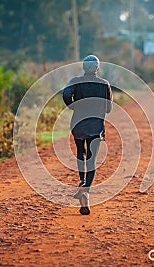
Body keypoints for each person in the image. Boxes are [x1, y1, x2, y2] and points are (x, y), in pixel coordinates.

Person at [62, 55, 113, 215]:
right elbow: (108, 108)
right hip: (95, 126)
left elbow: (65, 94)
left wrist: (73, 105)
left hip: (78, 124)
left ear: (84, 67)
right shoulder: (104, 84)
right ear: (97, 68)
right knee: (92, 159)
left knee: (80, 153)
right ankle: (85, 190)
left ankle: (82, 181)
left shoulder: (75, 81)